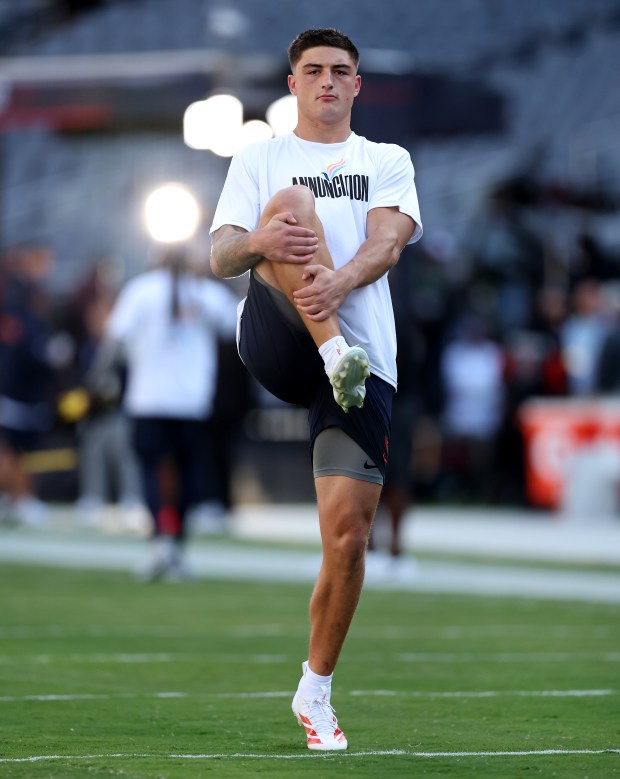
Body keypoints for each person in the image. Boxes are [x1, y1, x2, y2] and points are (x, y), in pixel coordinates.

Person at [210, 28, 422, 751]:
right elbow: (219, 253)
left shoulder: (386, 160)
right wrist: (259, 245)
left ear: (358, 85)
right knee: (291, 203)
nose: (327, 81)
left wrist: (339, 280)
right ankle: (335, 353)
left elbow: (388, 241)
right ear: (292, 83)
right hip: (279, 337)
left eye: (340, 71)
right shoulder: (260, 156)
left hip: (364, 355)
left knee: (348, 538)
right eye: (314, 71)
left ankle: (315, 688)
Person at [88, 248, 238, 580]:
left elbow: (113, 339)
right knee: (178, 473)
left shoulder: (146, 290)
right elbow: (233, 326)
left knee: (157, 471)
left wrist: (96, 378)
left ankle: (164, 541)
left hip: (156, 400)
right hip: (184, 401)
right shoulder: (195, 292)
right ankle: (170, 543)